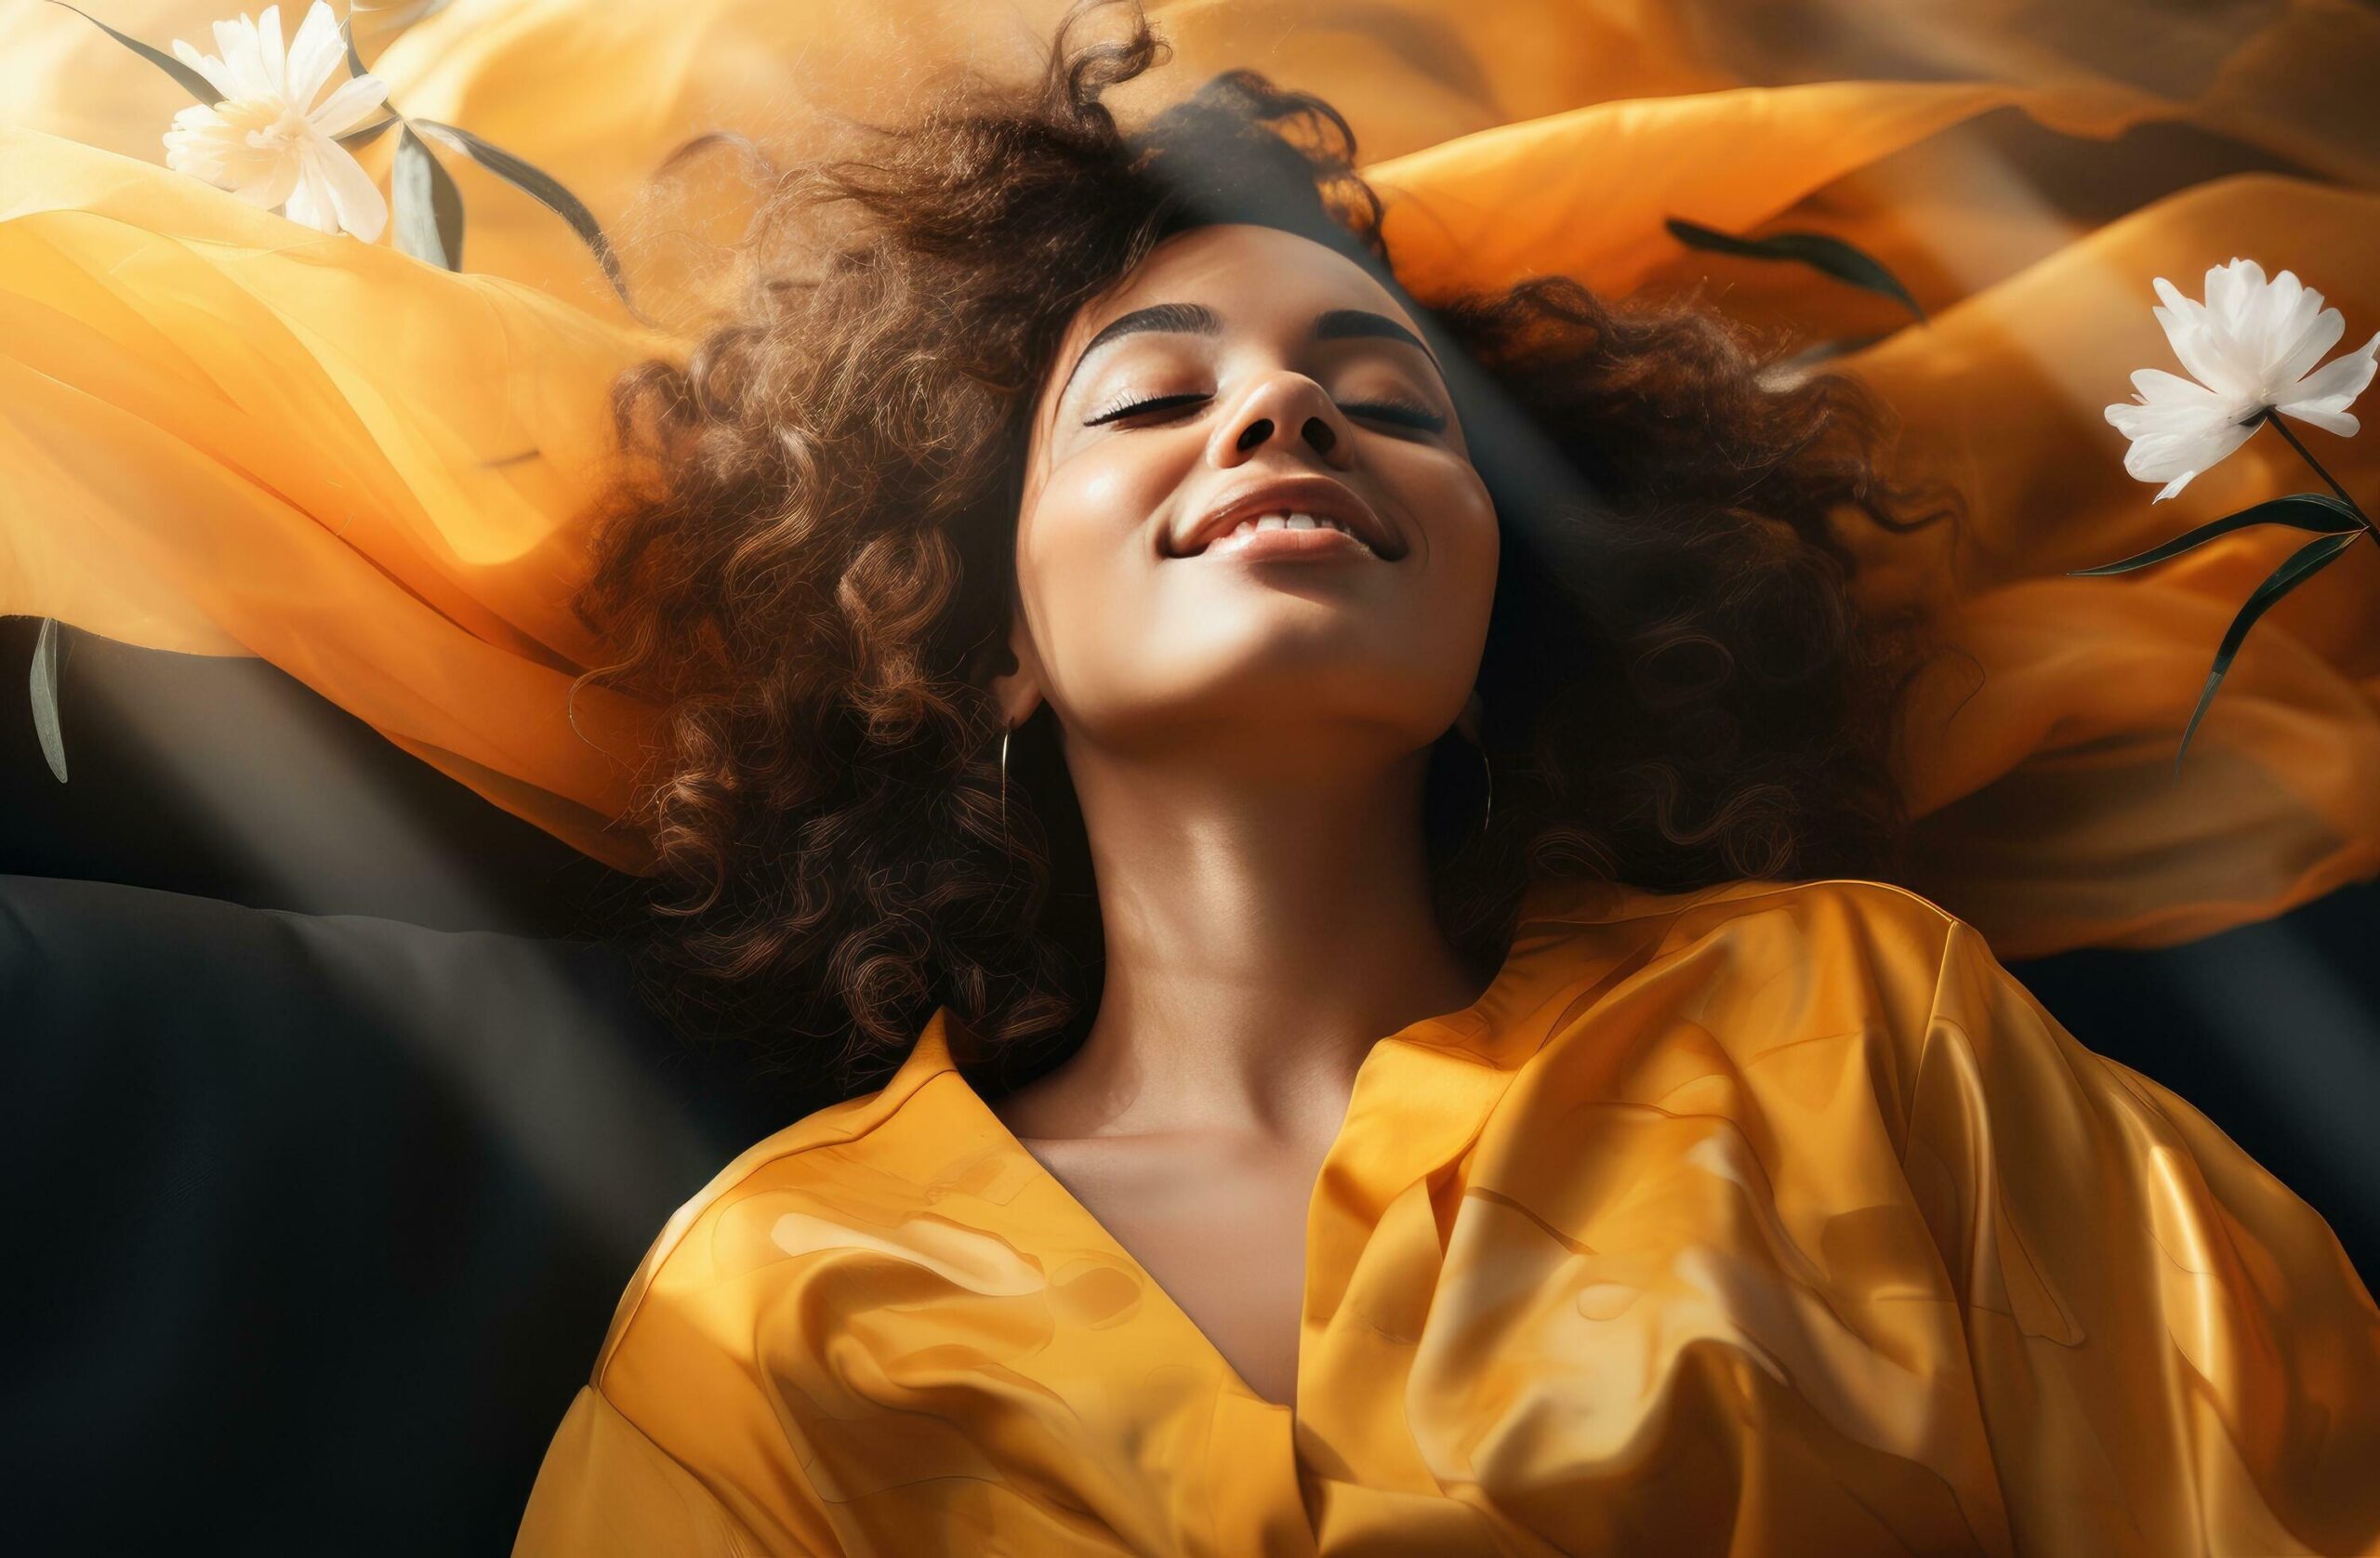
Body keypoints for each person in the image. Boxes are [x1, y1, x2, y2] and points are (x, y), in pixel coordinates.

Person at [493, 7, 2380, 1553]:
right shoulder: (769, 1295)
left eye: (1388, 402)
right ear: (978, 633)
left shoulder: (1862, 1022)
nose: (1283, 408)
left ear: (1489, 595)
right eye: (1153, 397)